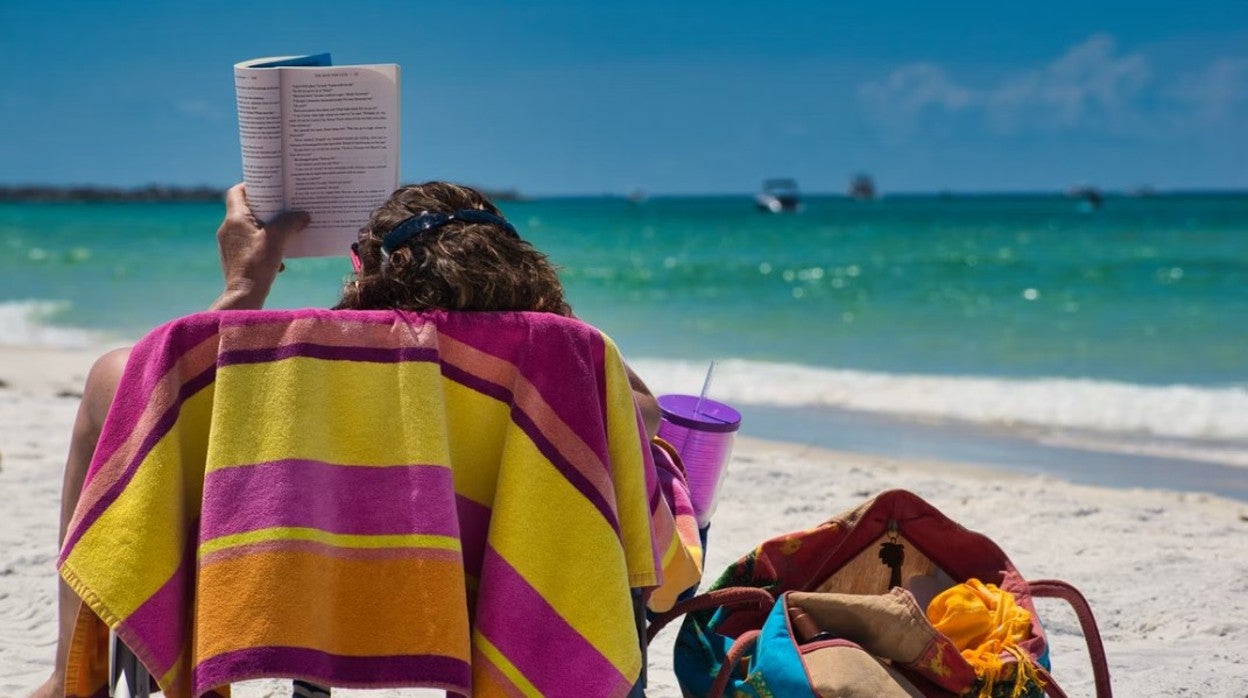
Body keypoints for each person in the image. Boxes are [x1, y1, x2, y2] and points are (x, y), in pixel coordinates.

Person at [32, 182, 664, 698]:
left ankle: (68, 677)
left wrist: (243, 287)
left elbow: (156, 381)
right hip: (491, 566)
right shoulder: (570, 355)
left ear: (364, 269)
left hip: (294, 575)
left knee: (110, 384)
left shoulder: (287, 355)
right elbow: (646, 421)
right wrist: (550, 325)